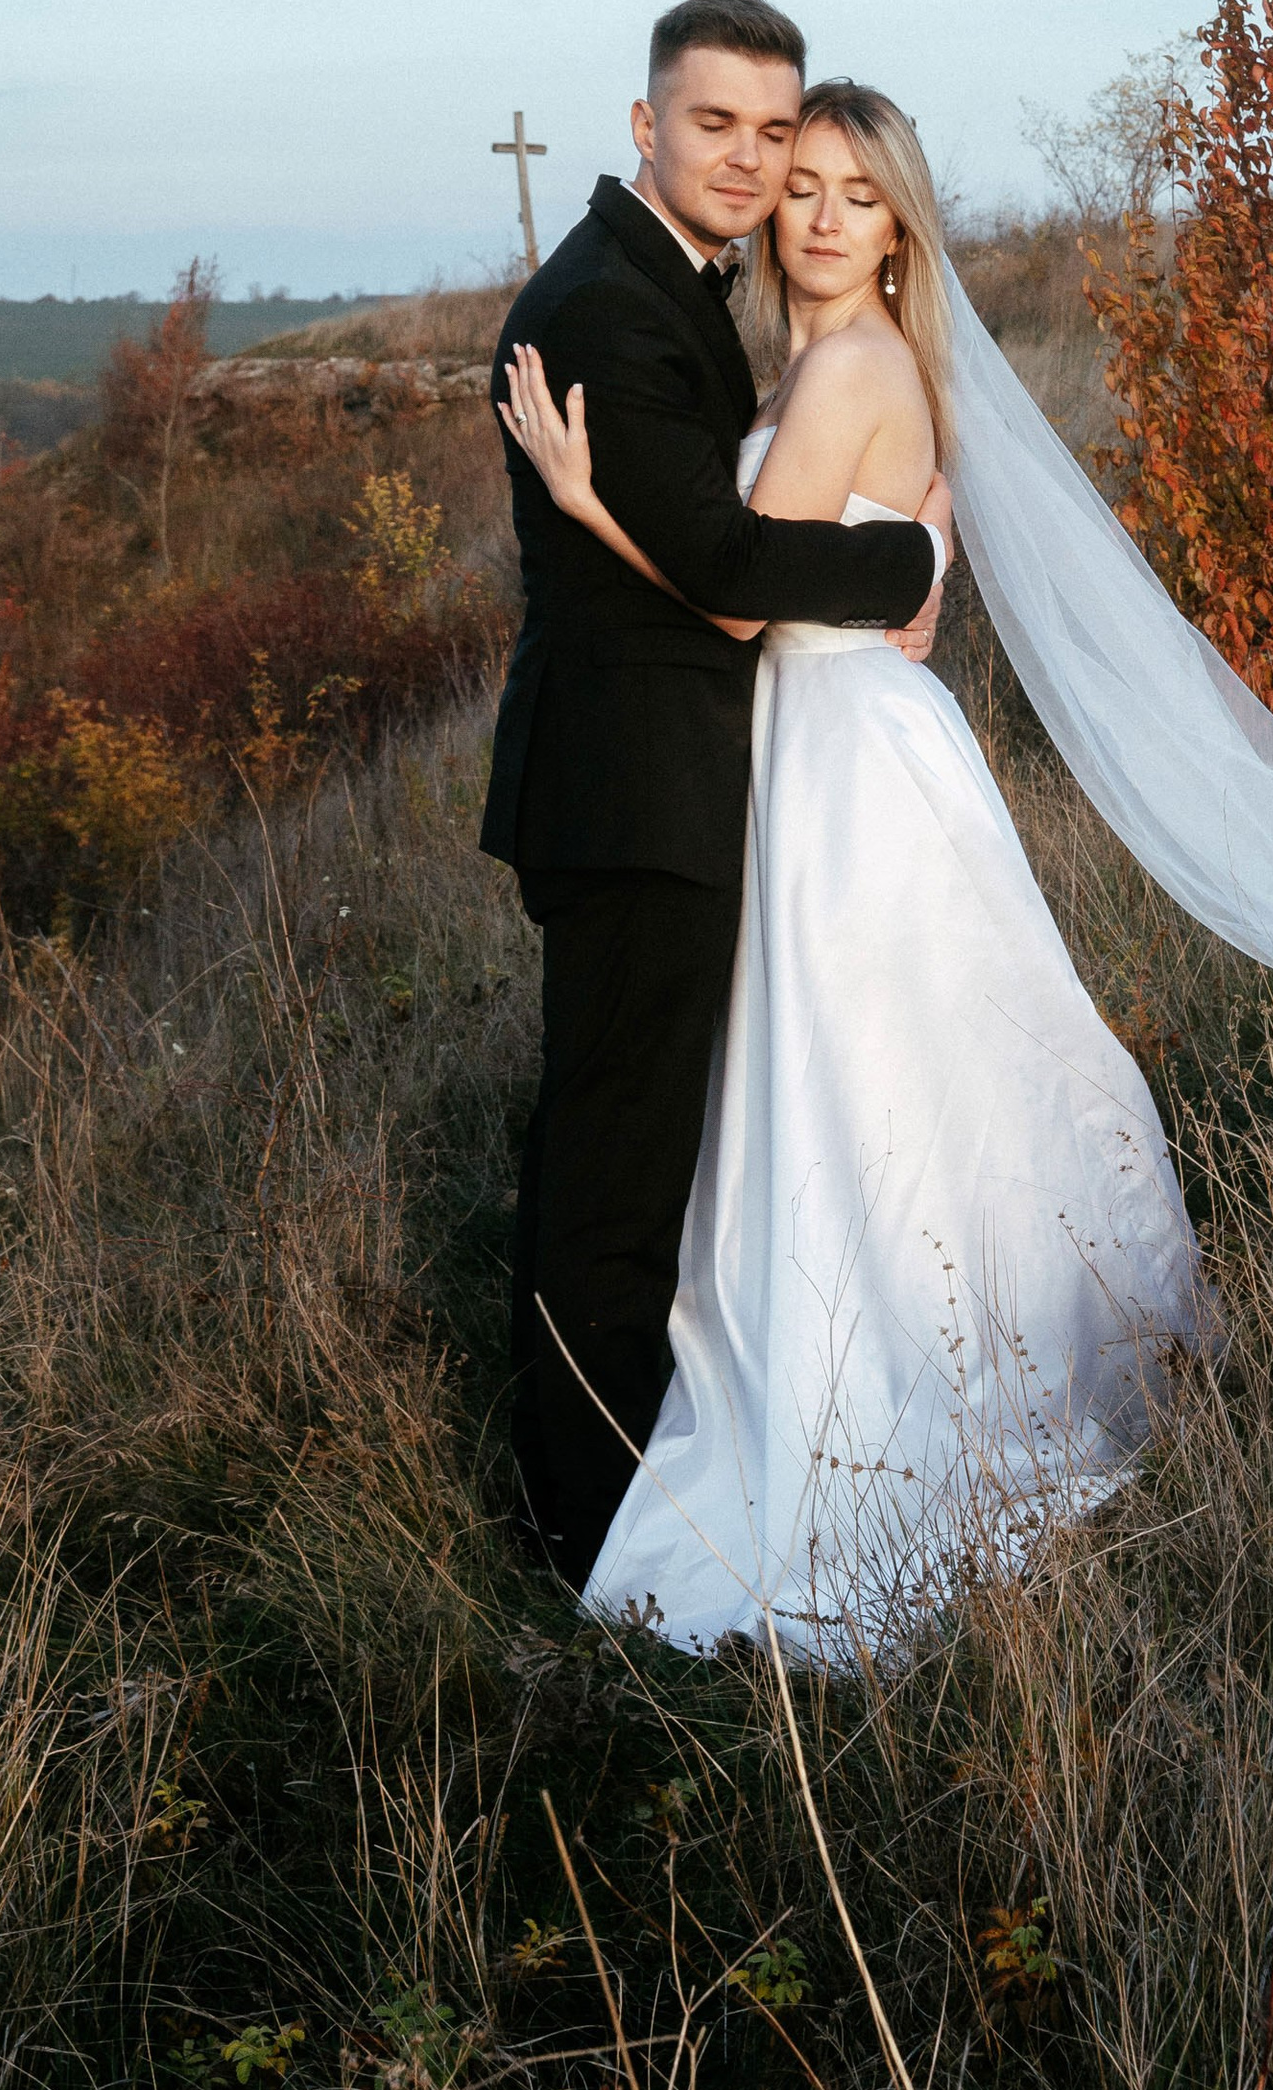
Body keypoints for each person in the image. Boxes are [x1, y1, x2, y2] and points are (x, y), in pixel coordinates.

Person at [499, 79, 1206, 1651]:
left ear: (900, 228)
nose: (814, 214)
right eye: (798, 184)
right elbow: (821, 550)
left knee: (867, 1075)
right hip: (826, 740)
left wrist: (583, 495)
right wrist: (916, 542)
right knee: (877, 1075)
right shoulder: (819, 366)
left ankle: (899, 1370)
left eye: (852, 194)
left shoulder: (850, 369)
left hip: (836, 756)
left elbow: (739, 595)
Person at [481, 0, 949, 1590]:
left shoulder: (689, 297)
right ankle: (577, 1526)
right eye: (721, 130)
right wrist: (908, 555)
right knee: (616, 1167)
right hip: (635, 789)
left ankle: (604, 1481)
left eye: (781, 136)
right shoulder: (615, 306)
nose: (758, 170)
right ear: (643, 126)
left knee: (654, 1144)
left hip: (701, 779)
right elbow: (736, 575)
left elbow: (721, 564)